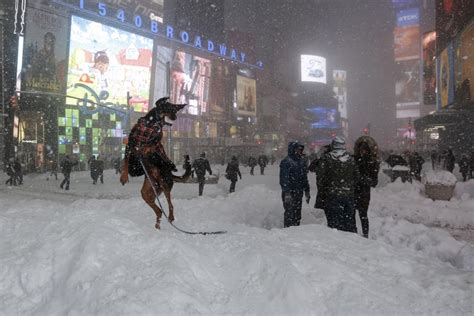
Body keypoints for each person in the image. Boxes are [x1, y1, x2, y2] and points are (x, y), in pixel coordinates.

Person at [318, 137, 359, 233]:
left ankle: (337, 244)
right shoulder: (351, 159)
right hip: (349, 195)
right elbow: (356, 176)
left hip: (332, 195)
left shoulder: (327, 158)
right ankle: (351, 242)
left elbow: (320, 177)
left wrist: (324, 190)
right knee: (349, 222)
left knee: (334, 223)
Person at [279, 141, 310, 228]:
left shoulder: (301, 162)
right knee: (289, 214)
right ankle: (288, 231)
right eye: (298, 150)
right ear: (293, 150)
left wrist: (307, 190)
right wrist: (287, 192)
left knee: (297, 214)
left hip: (298, 192)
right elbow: (284, 179)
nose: (300, 152)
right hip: (289, 192)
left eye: (301, 150)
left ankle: (296, 231)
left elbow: (304, 178)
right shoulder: (286, 162)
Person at [354, 137, 380, 238]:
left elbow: (374, 182)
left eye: (364, 150)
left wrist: (362, 179)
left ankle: (365, 234)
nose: (362, 152)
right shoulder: (354, 159)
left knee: (363, 214)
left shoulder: (372, 162)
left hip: (364, 192)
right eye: (361, 150)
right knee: (352, 213)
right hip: (355, 191)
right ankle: (354, 232)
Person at [309, 144, 331, 213]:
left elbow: (311, 168)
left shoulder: (321, 161)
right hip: (329, 190)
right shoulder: (321, 161)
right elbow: (311, 168)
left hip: (323, 189)